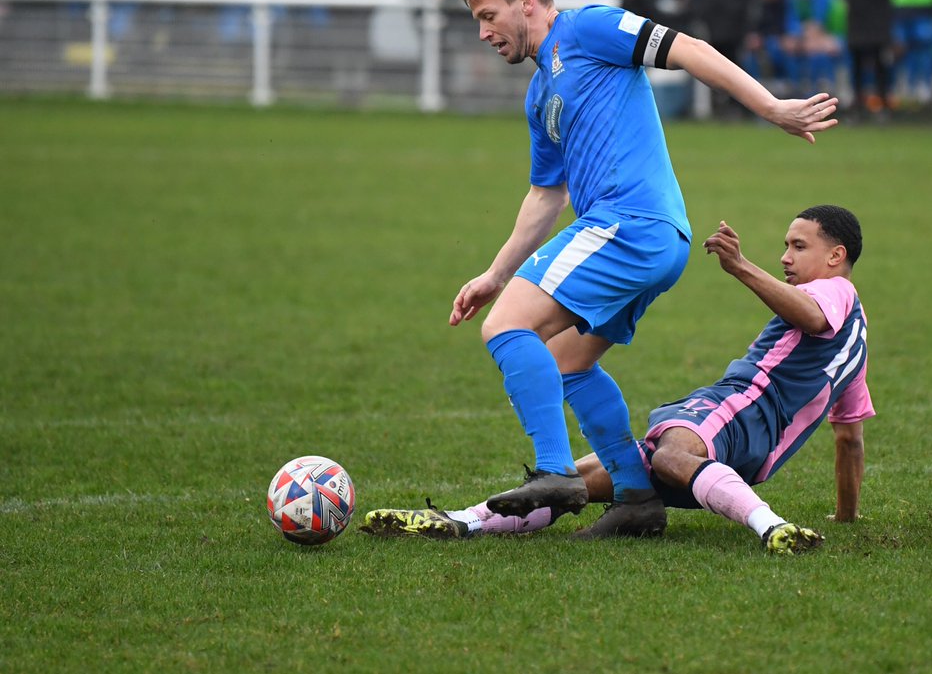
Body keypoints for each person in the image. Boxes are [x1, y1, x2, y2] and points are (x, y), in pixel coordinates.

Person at [438, 0, 839, 539]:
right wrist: (495, 274)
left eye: (489, 14)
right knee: (567, 362)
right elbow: (546, 195)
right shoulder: (538, 95)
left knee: (505, 329)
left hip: (630, 223)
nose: (483, 32)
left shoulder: (590, 27)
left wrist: (771, 107)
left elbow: (688, 49)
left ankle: (553, 472)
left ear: (527, 0)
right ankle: (634, 497)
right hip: (644, 238)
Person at [362, 207, 873, 554]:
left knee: (672, 453)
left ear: (835, 257)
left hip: (735, 407)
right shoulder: (856, 348)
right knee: (589, 479)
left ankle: (773, 528)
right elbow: (849, 436)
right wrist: (845, 518)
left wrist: (741, 267)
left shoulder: (834, 293)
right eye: (784, 246)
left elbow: (810, 316)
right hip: (753, 458)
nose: (785, 257)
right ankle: (460, 521)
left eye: (798, 246)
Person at [784, 0, 845, 97]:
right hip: (810, 37)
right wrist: (796, 37)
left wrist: (811, 35)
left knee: (819, 54)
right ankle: (798, 92)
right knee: (791, 50)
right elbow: (793, 21)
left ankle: (825, 92)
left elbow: (819, 23)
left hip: (836, 35)